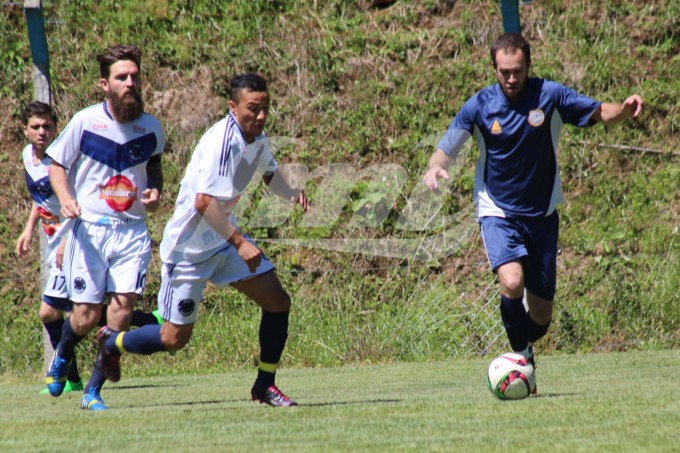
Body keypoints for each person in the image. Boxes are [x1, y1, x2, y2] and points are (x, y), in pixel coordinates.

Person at [423, 33, 643, 391]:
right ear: (493, 68)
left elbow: (601, 111)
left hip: (541, 215)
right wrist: (435, 167)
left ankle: (526, 342)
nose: (512, 78)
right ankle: (522, 358)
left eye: (518, 70)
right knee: (511, 282)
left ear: (528, 65)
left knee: (541, 316)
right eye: (504, 71)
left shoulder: (550, 96)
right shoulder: (480, 105)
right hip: (497, 210)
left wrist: (625, 110)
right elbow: (447, 146)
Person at [94, 73, 308, 409]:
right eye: (253, 108)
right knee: (174, 339)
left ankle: (265, 386)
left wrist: (291, 193)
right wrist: (241, 242)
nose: (261, 116)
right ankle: (114, 343)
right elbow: (203, 202)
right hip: (190, 251)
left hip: (222, 242)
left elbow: (269, 173)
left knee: (278, 301)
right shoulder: (222, 144)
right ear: (232, 107)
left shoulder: (256, 137)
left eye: (265, 108)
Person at [45, 45, 165, 411]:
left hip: (131, 232)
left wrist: (156, 190)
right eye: (121, 77)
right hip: (91, 229)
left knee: (121, 313)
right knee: (84, 316)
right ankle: (64, 351)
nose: (130, 83)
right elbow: (56, 165)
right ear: (104, 84)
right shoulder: (85, 122)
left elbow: (154, 165)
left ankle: (92, 392)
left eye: (134, 76)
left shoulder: (151, 128)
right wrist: (65, 198)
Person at [17, 101, 85, 394]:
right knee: (76, 309)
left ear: (57, 129)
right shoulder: (27, 158)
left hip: (72, 237)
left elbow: (79, 200)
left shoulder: (62, 162)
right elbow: (42, 197)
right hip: (54, 239)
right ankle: (72, 378)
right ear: (25, 130)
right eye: (36, 126)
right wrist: (29, 228)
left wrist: (68, 241)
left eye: (47, 126)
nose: (42, 132)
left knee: (50, 312)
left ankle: (66, 376)